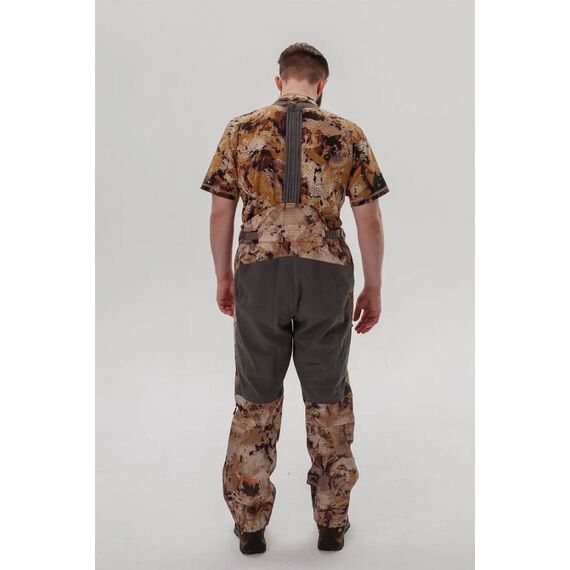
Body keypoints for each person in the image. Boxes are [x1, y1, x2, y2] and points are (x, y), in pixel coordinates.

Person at [200, 42, 389, 554]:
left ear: (279, 81)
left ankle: (250, 527)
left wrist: (223, 277)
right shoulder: (347, 133)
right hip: (327, 276)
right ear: (322, 85)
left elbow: (220, 213)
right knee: (328, 397)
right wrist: (373, 287)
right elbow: (369, 220)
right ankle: (331, 522)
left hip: (259, 274)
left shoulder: (240, 129)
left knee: (256, 396)